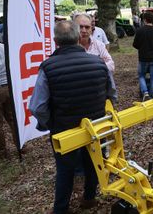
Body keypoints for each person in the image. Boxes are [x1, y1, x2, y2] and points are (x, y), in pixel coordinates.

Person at [29, 20, 117, 214]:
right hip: (95, 123)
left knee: (65, 169)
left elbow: (37, 106)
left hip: (64, 128)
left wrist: (49, 123)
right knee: (93, 160)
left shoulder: (48, 67)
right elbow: (112, 93)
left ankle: (61, 209)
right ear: (78, 37)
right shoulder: (98, 63)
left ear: (55, 41)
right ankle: (89, 198)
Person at [0, 41, 19, 159]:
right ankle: (20, 145)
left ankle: (1, 152)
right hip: (9, 87)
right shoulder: (2, 46)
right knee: (12, 119)